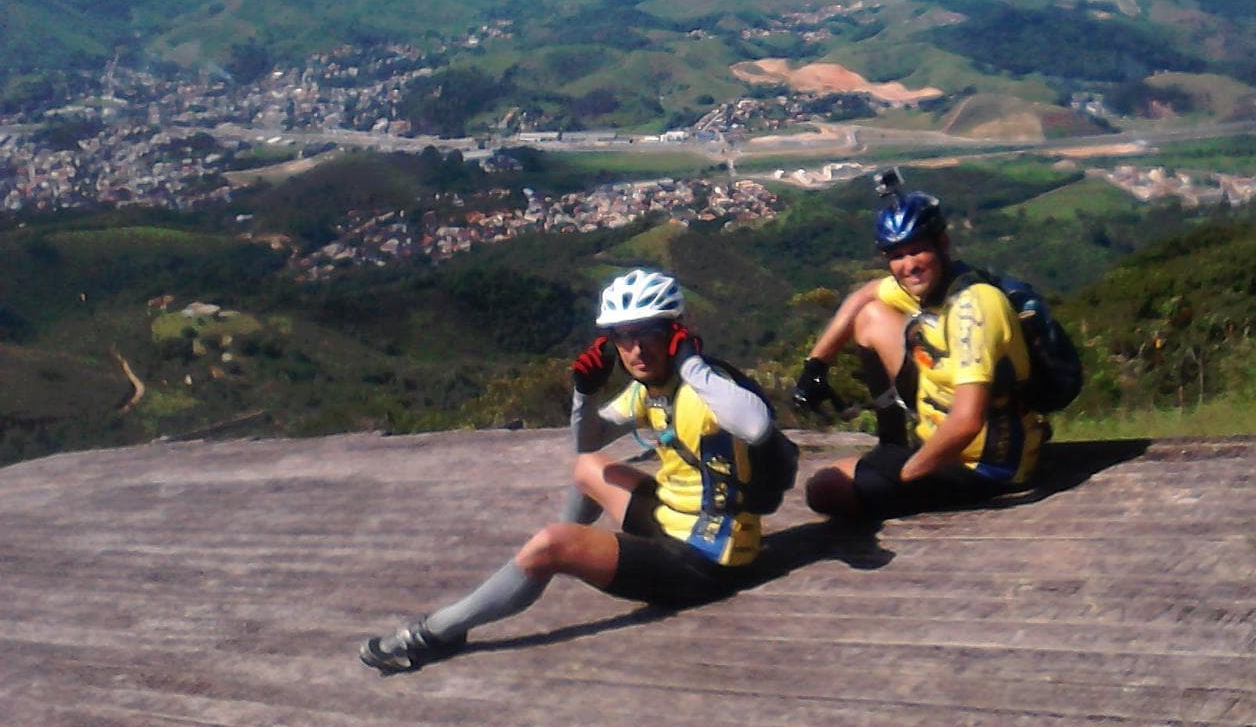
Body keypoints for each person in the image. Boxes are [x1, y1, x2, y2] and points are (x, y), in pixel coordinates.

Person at [360, 267, 775, 674]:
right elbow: (586, 446)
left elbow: (756, 426)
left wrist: (691, 363)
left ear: (675, 332)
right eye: (623, 337)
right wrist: (584, 392)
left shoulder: (706, 388)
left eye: (648, 332)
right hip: (673, 520)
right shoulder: (649, 389)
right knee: (587, 469)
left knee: (552, 544)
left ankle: (436, 632)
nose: (636, 350)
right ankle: (549, 561)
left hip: (707, 561)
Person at [794, 185, 1046, 519]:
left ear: (942, 244)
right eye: (897, 255)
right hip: (937, 437)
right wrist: (815, 366)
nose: (909, 265)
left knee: (824, 489)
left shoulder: (974, 307)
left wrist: (903, 477)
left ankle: (899, 461)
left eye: (917, 251)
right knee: (871, 317)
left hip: (983, 466)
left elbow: (967, 421)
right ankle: (892, 441)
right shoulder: (931, 286)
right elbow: (863, 298)